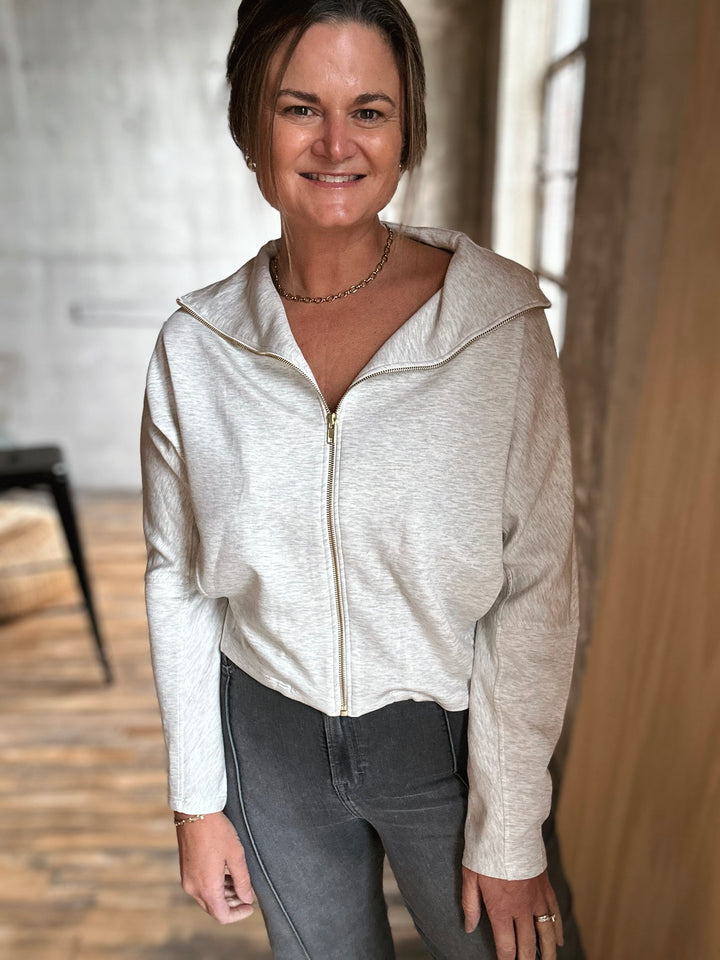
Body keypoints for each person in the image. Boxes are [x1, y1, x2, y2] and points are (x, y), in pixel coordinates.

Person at [140, 1, 583, 958]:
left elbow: (538, 582)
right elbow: (178, 578)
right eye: (302, 107)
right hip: (267, 742)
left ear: (406, 127)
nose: (336, 143)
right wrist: (196, 800)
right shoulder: (195, 348)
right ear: (251, 125)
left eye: (370, 111)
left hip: (448, 749)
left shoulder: (497, 326)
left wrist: (510, 830)